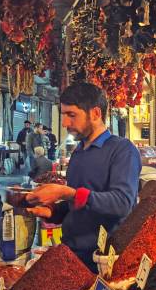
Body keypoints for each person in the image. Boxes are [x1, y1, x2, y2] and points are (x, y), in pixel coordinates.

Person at [26, 83, 142, 269]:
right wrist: (54, 212)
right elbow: (80, 202)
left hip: (102, 259)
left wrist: (67, 193)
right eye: (63, 115)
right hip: (72, 254)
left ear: (95, 113)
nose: (64, 123)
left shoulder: (122, 150)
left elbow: (122, 204)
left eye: (71, 115)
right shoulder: (79, 153)